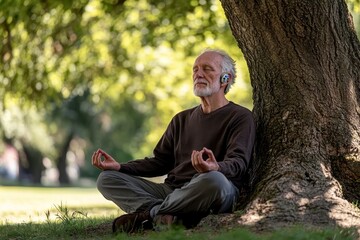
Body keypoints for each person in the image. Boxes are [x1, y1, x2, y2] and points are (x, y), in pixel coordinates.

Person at [92, 48, 256, 233]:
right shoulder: (181, 119)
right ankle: (167, 215)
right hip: (173, 191)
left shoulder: (241, 117)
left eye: (207, 69)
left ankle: (148, 215)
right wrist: (121, 167)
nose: (198, 74)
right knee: (106, 179)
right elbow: (160, 162)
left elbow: (239, 163)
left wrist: (215, 167)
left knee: (214, 181)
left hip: (213, 188)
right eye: (195, 69)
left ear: (226, 79)